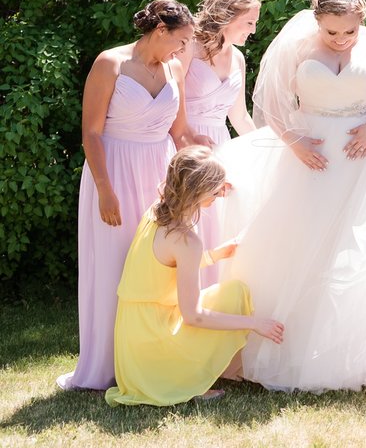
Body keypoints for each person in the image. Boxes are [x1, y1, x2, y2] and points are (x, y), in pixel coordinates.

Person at [215, 0, 366, 392]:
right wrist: (295, 142)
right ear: (316, 21)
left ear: (363, 19)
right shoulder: (298, 45)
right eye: (331, 31)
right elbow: (273, 103)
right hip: (312, 158)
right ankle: (294, 351)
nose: (340, 39)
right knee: (301, 248)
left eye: (349, 31)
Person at [58, 0, 206, 391]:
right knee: (113, 265)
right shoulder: (111, 64)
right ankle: (106, 365)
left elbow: (180, 133)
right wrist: (105, 191)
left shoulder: (175, 66)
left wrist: (202, 167)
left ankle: (153, 357)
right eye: (181, 40)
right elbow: (91, 132)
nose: (183, 50)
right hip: (114, 172)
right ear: (160, 30)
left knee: (156, 266)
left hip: (160, 174)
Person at [105, 146, 284, 406]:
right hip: (153, 351)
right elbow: (193, 316)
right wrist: (253, 322)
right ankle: (190, 379)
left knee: (232, 291)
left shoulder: (156, 210)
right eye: (214, 192)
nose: (218, 197)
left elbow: (163, 265)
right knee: (237, 295)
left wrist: (216, 255)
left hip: (133, 350)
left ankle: (215, 371)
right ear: (197, 191)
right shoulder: (186, 240)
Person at [179, 0, 261, 284]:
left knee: (218, 223)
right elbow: (173, 101)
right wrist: (186, 139)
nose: (252, 30)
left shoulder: (238, 58)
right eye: (249, 22)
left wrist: (266, 145)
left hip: (221, 146)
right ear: (228, 16)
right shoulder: (189, 47)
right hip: (186, 143)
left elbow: (238, 115)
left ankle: (211, 297)